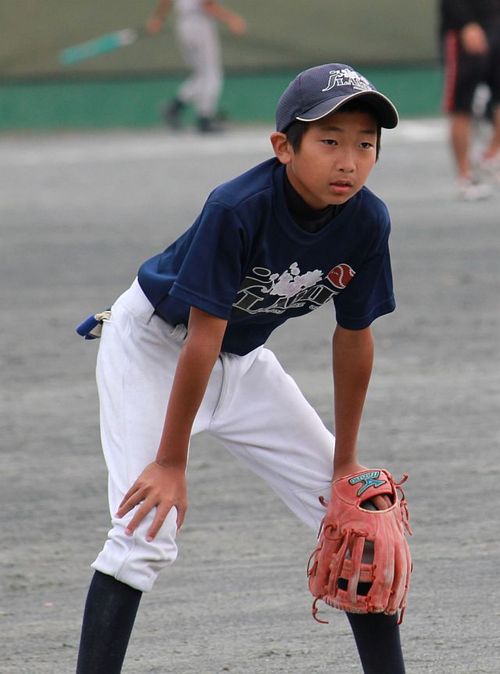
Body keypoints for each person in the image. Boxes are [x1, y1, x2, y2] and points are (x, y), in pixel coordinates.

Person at [75, 63, 407, 673]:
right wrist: (171, 462)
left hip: (244, 360)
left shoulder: (367, 220)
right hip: (155, 347)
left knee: (360, 526)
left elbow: (354, 337)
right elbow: (202, 335)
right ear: (284, 147)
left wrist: (344, 467)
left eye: (365, 144)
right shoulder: (238, 207)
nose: (349, 160)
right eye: (329, 141)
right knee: (144, 534)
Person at [147, 0, 246, 133]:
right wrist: (231, 19)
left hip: (184, 24)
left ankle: (176, 106)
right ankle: (205, 118)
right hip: (200, 23)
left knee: (201, 74)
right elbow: (207, 4)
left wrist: (158, 18)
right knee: (211, 74)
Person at [440, 0, 500, 199]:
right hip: (464, 30)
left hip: (495, 24)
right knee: (461, 106)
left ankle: (491, 157)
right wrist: (465, 23)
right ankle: (464, 176)